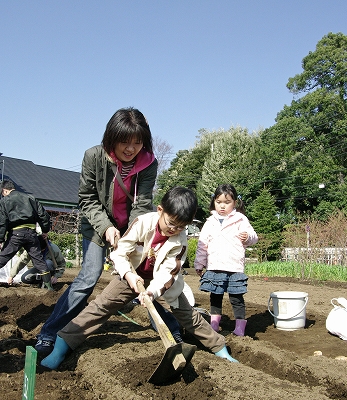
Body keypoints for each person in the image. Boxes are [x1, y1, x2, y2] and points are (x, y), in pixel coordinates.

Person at [41, 186, 238, 370]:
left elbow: (168, 272)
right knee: (99, 307)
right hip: (130, 274)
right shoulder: (143, 222)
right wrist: (129, 275)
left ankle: (220, 349)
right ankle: (61, 347)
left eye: (181, 227)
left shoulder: (180, 240)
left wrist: (152, 291)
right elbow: (119, 252)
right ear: (160, 210)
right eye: (171, 223)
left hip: (162, 283)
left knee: (188, 315)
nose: (174, 230)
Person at [35, 107, 158, 356]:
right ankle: (49, 332)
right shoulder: (94, 156)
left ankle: (168, 327)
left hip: (130, 228)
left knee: (147, 274)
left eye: (137, 142)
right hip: (95, 225)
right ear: (112, 137)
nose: (130, 148)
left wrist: (129, 236)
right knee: (88, 277)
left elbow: (142, 203)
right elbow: (87, 198)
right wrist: (107, 228)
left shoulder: (148, 163)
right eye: (124, 141)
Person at [194, 184, 258, 336]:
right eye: (218, 201)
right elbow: (202, 245)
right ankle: (214, 325)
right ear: (214, 201)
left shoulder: (240, 219)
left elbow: (254, 237)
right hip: (214, 266)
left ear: (235, 202)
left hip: (234, 267)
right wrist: (199, 263)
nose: (222, 206)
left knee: (236, 298)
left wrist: (248, 237)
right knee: (215, 297)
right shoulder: (210, 222)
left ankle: (240, 328)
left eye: (227, 202)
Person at [0, 180, 53, 290]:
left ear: (5, 191)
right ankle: (50, 289)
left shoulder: (4, 201)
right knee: (39, 261)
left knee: (3, 257)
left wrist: (0, 239)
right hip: (31, 234)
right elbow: (43, 216)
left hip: (15, 234)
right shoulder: (30, 198)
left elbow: (2, 222)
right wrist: (45, 230)